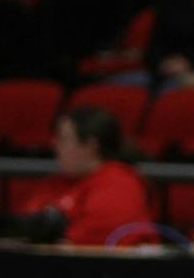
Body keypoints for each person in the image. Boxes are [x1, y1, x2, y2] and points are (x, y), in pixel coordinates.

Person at [17, 106, 156, 247]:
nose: (54, 144)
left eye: (63, 139)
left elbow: (88, 242)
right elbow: (22, 227)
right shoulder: (55, 181)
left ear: (90, 146)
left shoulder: (119, 184)